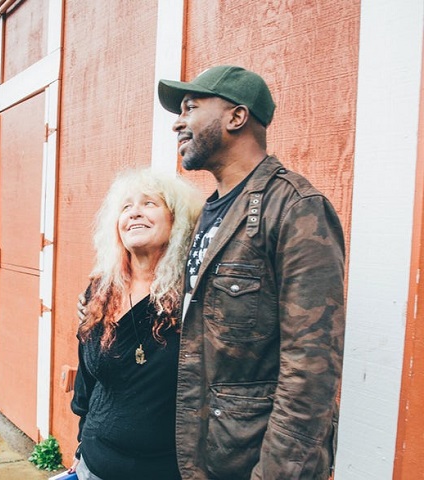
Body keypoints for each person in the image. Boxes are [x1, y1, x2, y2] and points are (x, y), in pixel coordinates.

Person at [156, 65, 346, 479]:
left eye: (191, 107)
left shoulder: (295, 208)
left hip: (256, 463)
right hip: (206, 454)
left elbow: (310, 372)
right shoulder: (209, 213)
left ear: (236, 117)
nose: (178, 122)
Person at [70, 168, 203, 480]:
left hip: (164, 470)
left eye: (149, 204)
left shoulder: (195, 296)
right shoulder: (101, 291)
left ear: (177, 220)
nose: (135, 214)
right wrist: (80, 447)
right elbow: (88, 383)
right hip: (94, 464)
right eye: (126, 207)